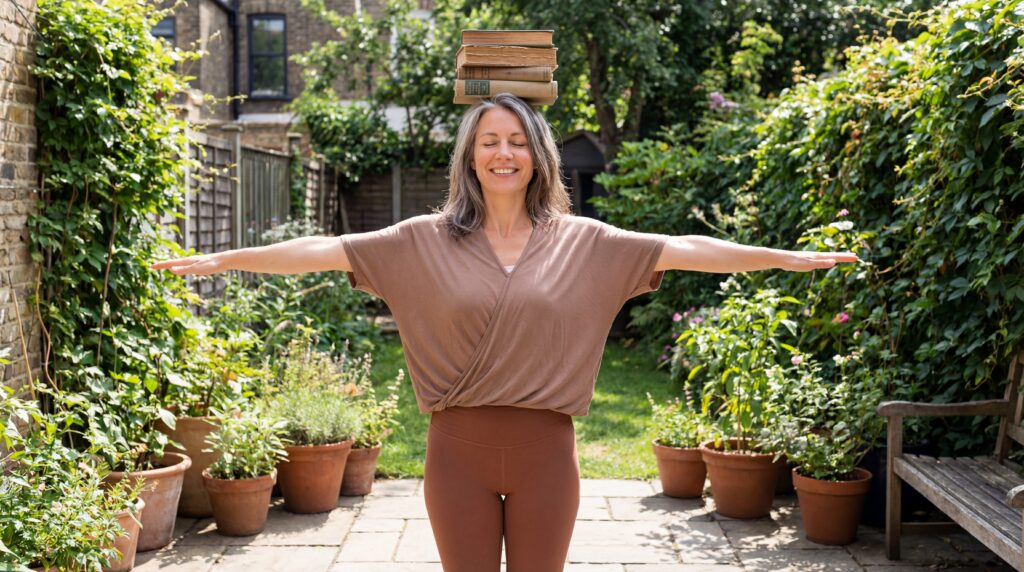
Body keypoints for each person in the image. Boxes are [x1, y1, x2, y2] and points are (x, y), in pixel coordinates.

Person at [152, 93, 858, 571]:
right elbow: (327, 248)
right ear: (469, 157)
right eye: (489, 141)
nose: (503, 153)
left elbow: (682, 247)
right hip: (454, 455)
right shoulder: (421, 239)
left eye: (518, 141)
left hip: (547, 456)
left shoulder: (587, 241)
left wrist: (786, 258)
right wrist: (227, 258)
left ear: (537, 156)